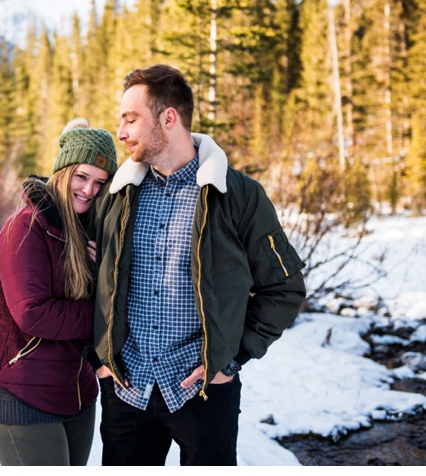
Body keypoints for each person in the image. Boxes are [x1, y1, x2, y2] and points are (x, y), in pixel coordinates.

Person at [86, 64, 307, 466]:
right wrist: (99, 357)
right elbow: (86, 280)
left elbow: (284, 288)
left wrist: (232, 358)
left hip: (203, 393)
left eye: (131, 119)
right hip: (127, 389)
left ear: (169, 118)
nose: (121, 133)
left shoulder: (238, 195)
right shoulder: (117, 197)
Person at [0, 118, 118, 466]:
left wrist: (107, 273)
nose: (89, 190)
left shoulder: (90, 231)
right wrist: (109, 317)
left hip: (77, 393)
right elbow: (33, 313)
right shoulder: (25, 228)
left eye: (100, 182)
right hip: (20, 392)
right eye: (81, 177)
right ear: (62, 171)